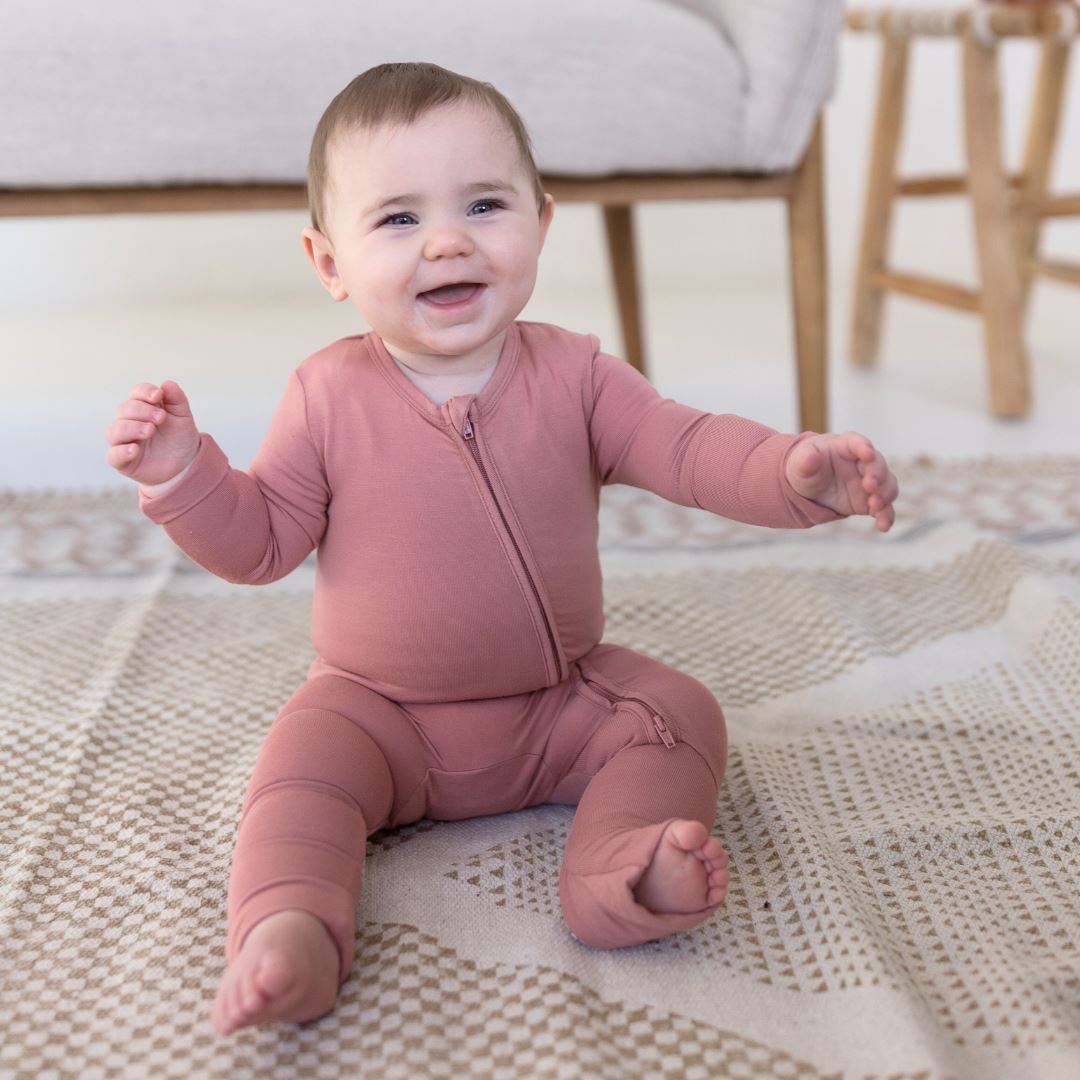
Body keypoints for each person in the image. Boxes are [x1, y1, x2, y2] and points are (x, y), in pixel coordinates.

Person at [104, 62, 899, 1037]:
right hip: (376, 713)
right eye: (396, 219)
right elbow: (261, 538)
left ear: (542, 222)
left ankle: (622, 868)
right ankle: (290, 931)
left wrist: (790, 471)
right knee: (294, 779)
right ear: (328, 263)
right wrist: (185, 474)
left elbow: (687, 447)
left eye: (485, 203)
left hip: (558, 703)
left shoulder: (579, 375)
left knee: (680, 715)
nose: (447, 239)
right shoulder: (325, 395)